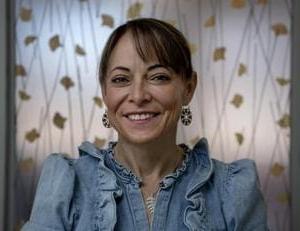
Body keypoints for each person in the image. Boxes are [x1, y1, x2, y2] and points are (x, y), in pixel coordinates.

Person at [22, 18, 268, 231]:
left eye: (158, 77)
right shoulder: (67, 184)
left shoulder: (233, 189)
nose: (138, 96)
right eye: (121, 79)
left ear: (188, 88)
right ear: (105, 93)